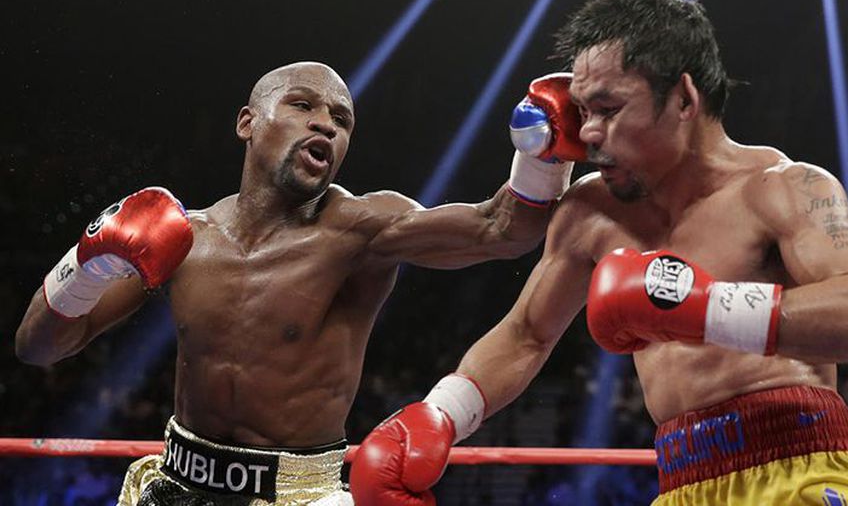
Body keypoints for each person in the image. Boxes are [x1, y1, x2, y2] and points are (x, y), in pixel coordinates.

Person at [350, 0, 848, 505]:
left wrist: (707, 309)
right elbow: (526, 335)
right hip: (682, 481)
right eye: (581, 111)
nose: (589, 133)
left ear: (684, 99)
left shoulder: (782, 188)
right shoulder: (591, 211)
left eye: (608, 109)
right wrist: (441, 413)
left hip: (801, 464)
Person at [14, 61, 582, 505]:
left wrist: (544, 152)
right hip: (175, 482)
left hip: (297, 494)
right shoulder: (185, 238)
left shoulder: (361, 230)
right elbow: (38, 348)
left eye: (342, 120)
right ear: (248, 123)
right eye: (303, 105)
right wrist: (86, 264)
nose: (325, 124)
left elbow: (501, 229)